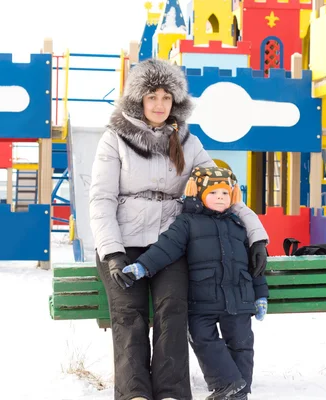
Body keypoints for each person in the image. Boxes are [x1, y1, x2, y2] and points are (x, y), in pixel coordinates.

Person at [89, 58, 269, 400]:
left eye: (166, 97)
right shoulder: (115, 139)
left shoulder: (187, 141)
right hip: (123, 243)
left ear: (175, 102)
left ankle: (172, 392)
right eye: (152, 97)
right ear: (139, 99)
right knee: (130, 315)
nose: (159, 105)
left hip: (170, 244)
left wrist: (256, 236)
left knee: (173, 310)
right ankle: (135, 393)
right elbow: (101, 199)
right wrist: (111, 252)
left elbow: (222, 191)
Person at [122, 166, 269, 400]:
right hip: (202, 301)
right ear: (199, 193)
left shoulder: (239, 225)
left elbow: (255, 266)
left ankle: (239, 391)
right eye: (213, 193)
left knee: (241, 344)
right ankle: (227, 383)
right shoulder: (187, 223)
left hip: (239, 298)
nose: (220, 198)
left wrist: (260, 295)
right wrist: (143, 266)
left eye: (224, 193)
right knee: (202, 340)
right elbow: (166, 248)